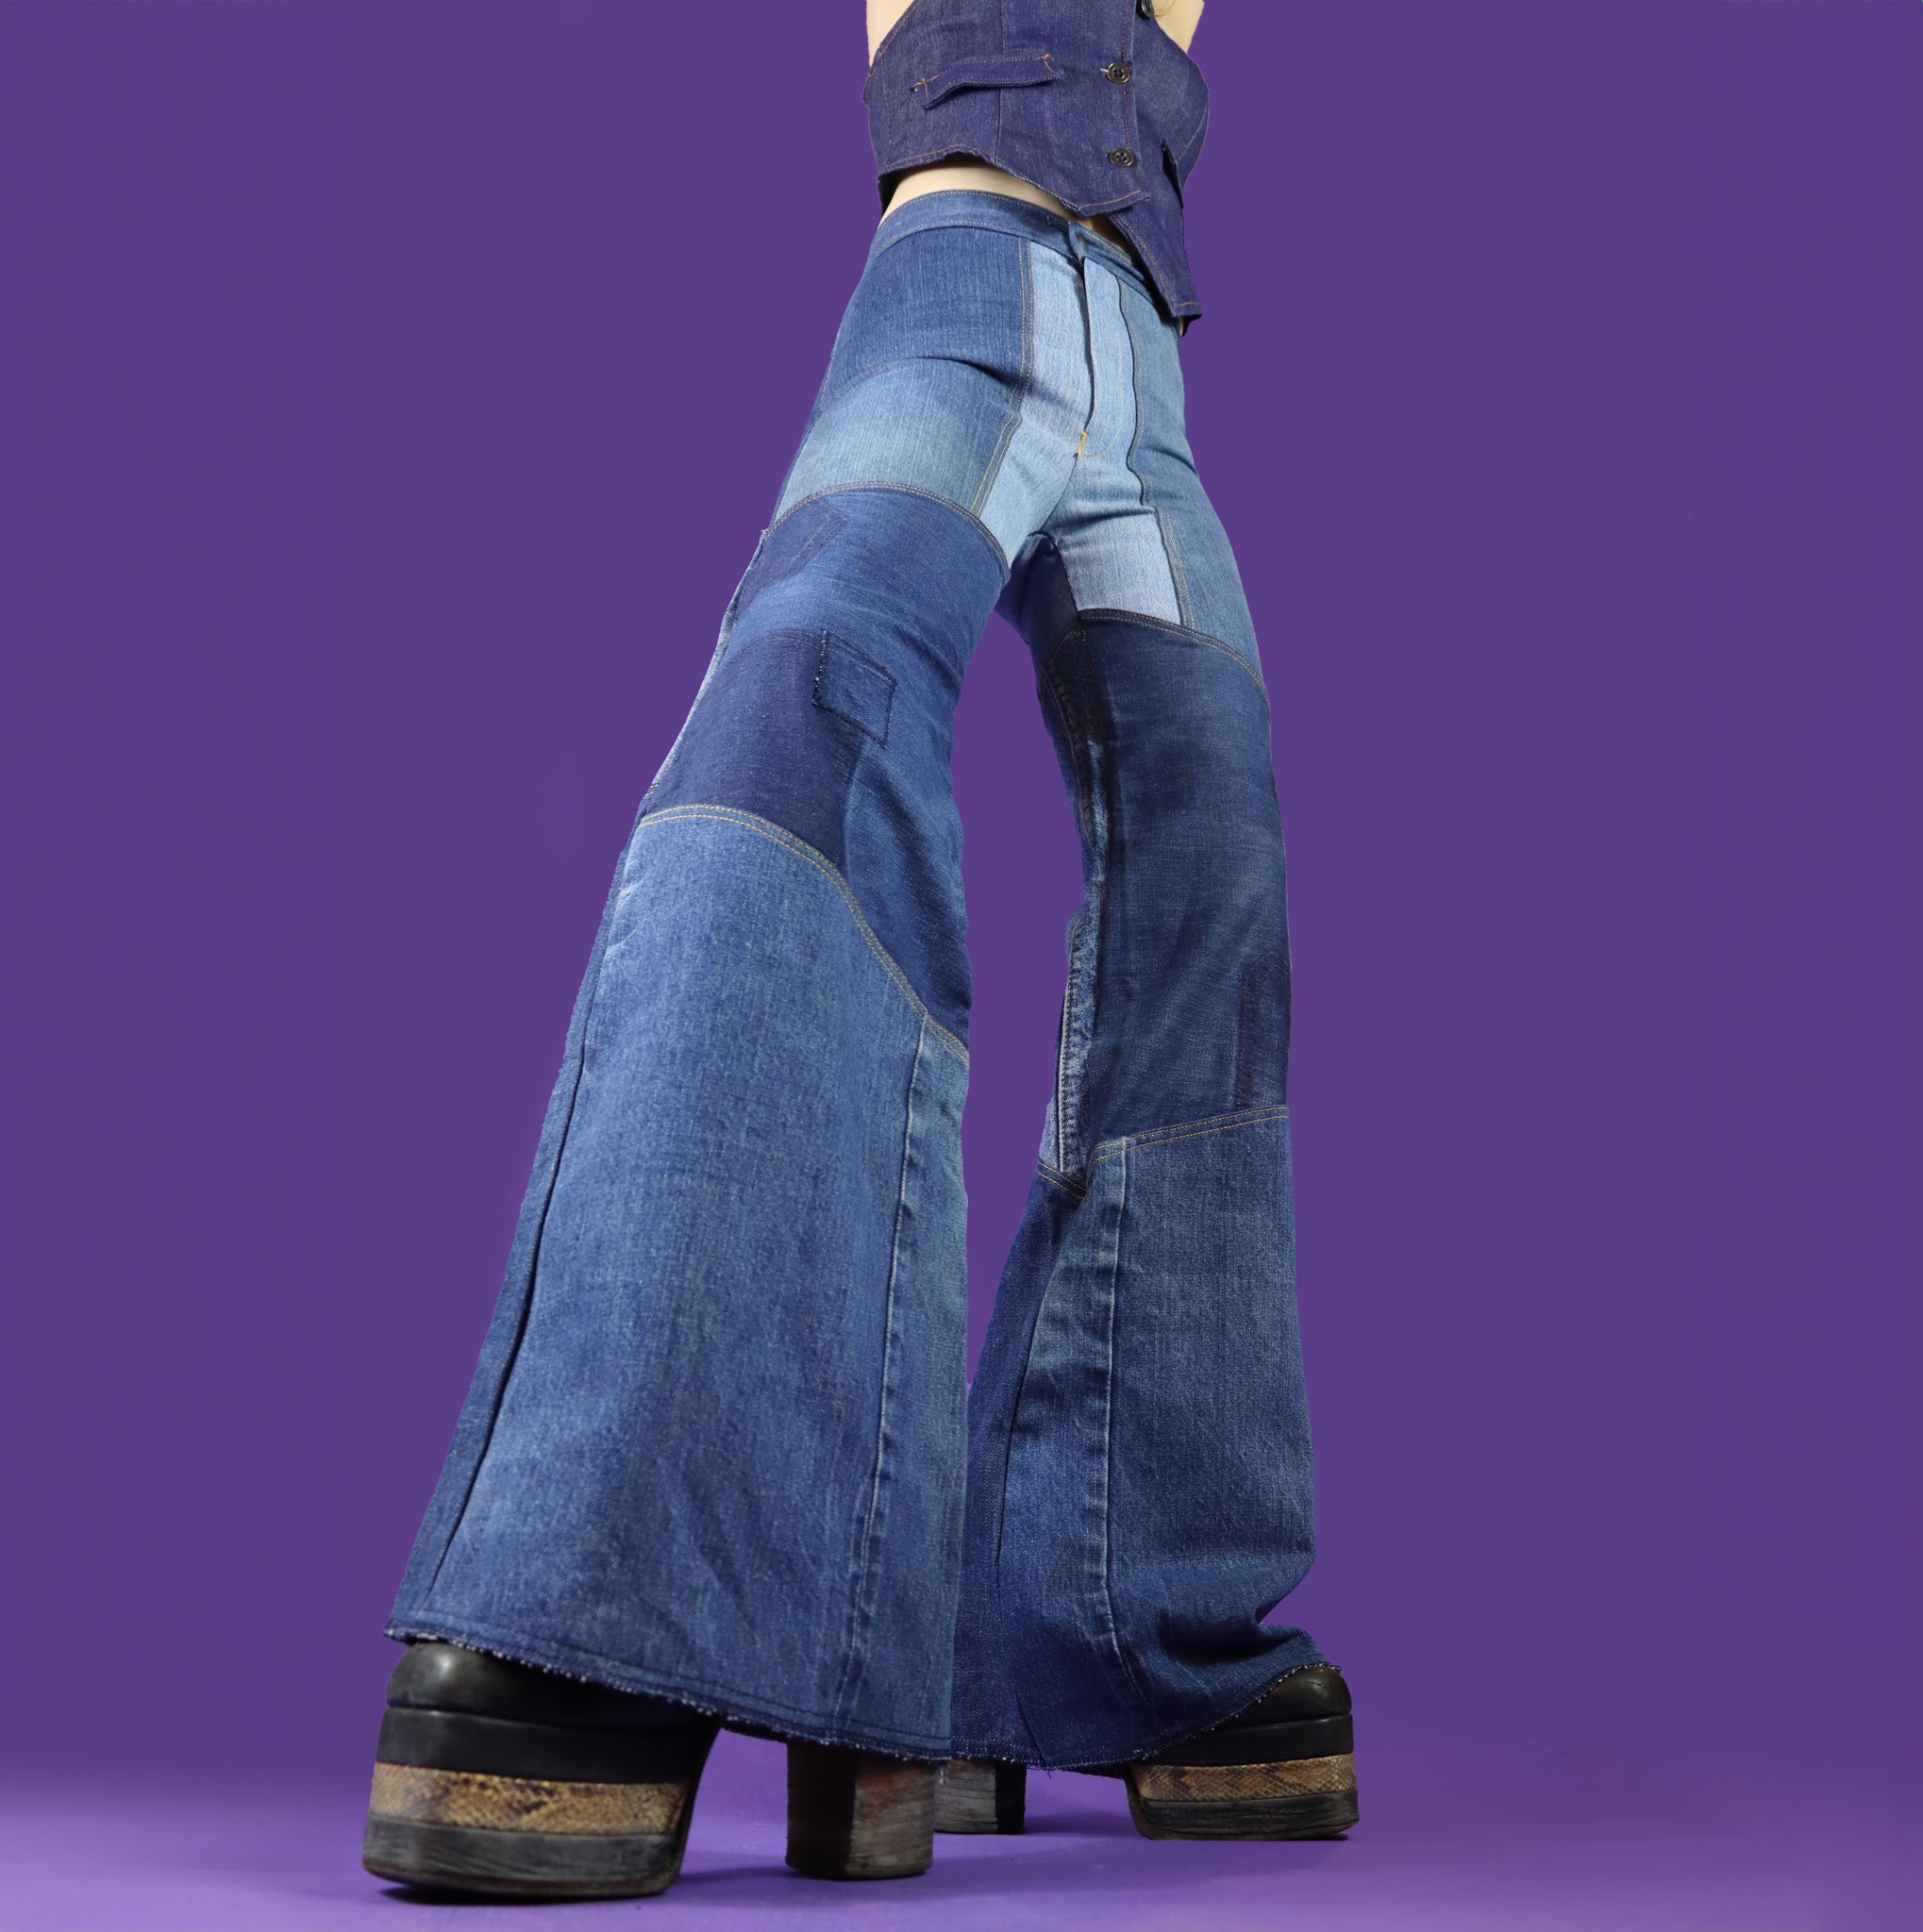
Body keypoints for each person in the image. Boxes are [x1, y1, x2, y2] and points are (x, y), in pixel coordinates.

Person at [361, 0, 1356, 1899]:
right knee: (812, 685)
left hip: (1140, 378)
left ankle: (1110, 1624)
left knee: (1215, 871)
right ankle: (613, 1589)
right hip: (963, 295)